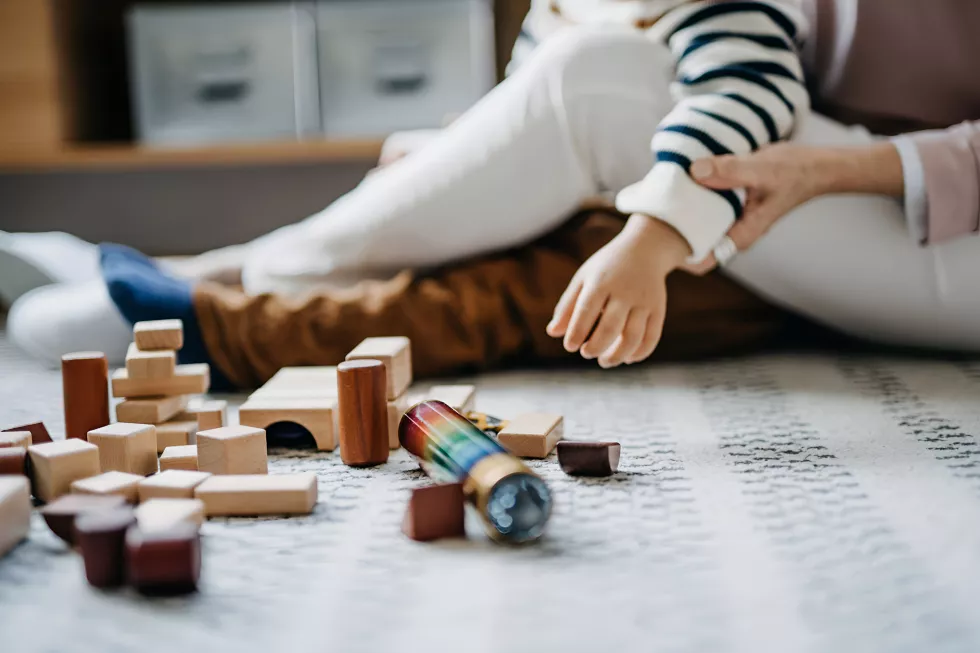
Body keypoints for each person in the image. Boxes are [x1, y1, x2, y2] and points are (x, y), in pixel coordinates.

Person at [2, 0, 977, 390]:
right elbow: (539, 84)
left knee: (568, 247)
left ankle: (210, 304)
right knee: (551, 248)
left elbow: (744, 86)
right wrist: (453, 158)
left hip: (911, 219)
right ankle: (204, 301)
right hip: (779, 200)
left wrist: (648, 236)